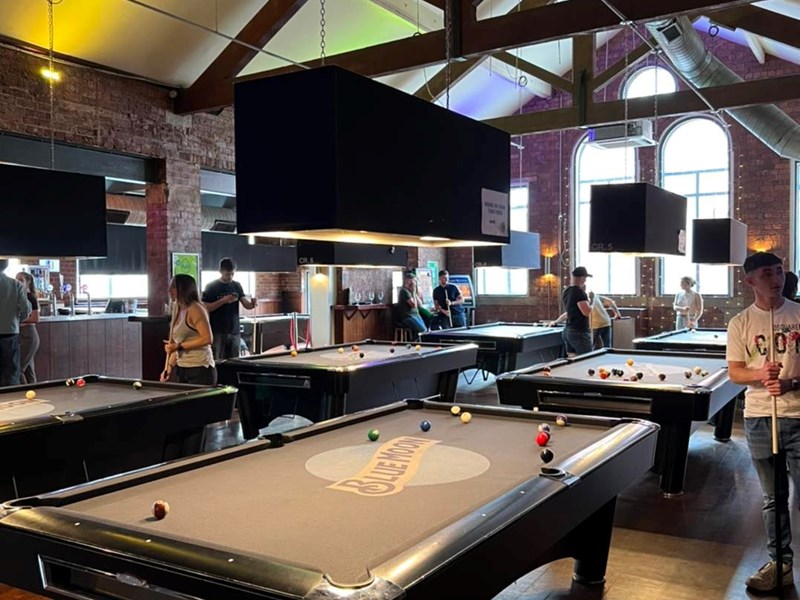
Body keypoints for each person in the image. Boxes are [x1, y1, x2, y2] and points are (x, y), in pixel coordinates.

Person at [726, 252, 800, 592]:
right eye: (767, 273)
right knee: (773, 498)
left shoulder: (799, 314)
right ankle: (780, 565)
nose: (776, 278)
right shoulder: (740, 323)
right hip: (759, 419)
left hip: (798, 416)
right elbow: (735, 372)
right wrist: (759, 374)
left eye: (779, 271)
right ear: (750, 281)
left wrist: (790, 383)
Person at [163, 274, 216, 385]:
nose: (169, 290)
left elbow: (207, 338)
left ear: (183, 289)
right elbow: (176, 344)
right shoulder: (176, 307)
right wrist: (169, 366)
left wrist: (178, 346)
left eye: (173, 287)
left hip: (200, 368)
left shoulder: (195, 308)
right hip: (182, 368)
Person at [202, 257, 258, 360]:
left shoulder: (237, 285)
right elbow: (206, 308)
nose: (230, 277)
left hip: (234, 330)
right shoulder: (211, 286)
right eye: (227, 274)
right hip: (217, 331)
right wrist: (223, 300)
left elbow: (246, 304)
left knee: (234, 360)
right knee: (216, 360)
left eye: (232, 274)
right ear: (220, 272)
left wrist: (252, 303)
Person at [0, 259, 31, 387]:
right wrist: (17, 320)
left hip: (10, 332)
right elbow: (26, 309)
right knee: (11, 375)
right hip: (10, 333)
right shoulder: (15, 284)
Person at [560, 266, 593, 356]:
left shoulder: (566, 291)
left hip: (568, 330)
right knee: (587, 359)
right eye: (585, 278)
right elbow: (586, 312)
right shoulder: (579, 292)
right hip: (579, 332)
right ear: (582, 278)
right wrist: (592, 300)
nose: (585, 280)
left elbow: (572, 310)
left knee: (572, 359)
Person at [16, 272, 39, 384]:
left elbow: (35, 318)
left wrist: (18, 320)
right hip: (22, 335)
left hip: (29, 334)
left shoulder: (30, 297)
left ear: (28, 283)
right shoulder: (19, 296)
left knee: (18, 368)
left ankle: (23, 392)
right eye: (16, 279)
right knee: (29, 370)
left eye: (21, 280)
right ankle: (32, 392)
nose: (17, 282)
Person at [396, 271, 426, 337]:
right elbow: (413, 305)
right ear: (409, 281)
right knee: (422, 330)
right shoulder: (404, 291)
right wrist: (413, 292)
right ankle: (414, 343)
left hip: (416, 315)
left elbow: (420, 305)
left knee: (425, 331)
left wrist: (414, 293)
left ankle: (417, 342)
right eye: (414, 281)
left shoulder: (412, 291)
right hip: (408, 316)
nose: (415, 284)